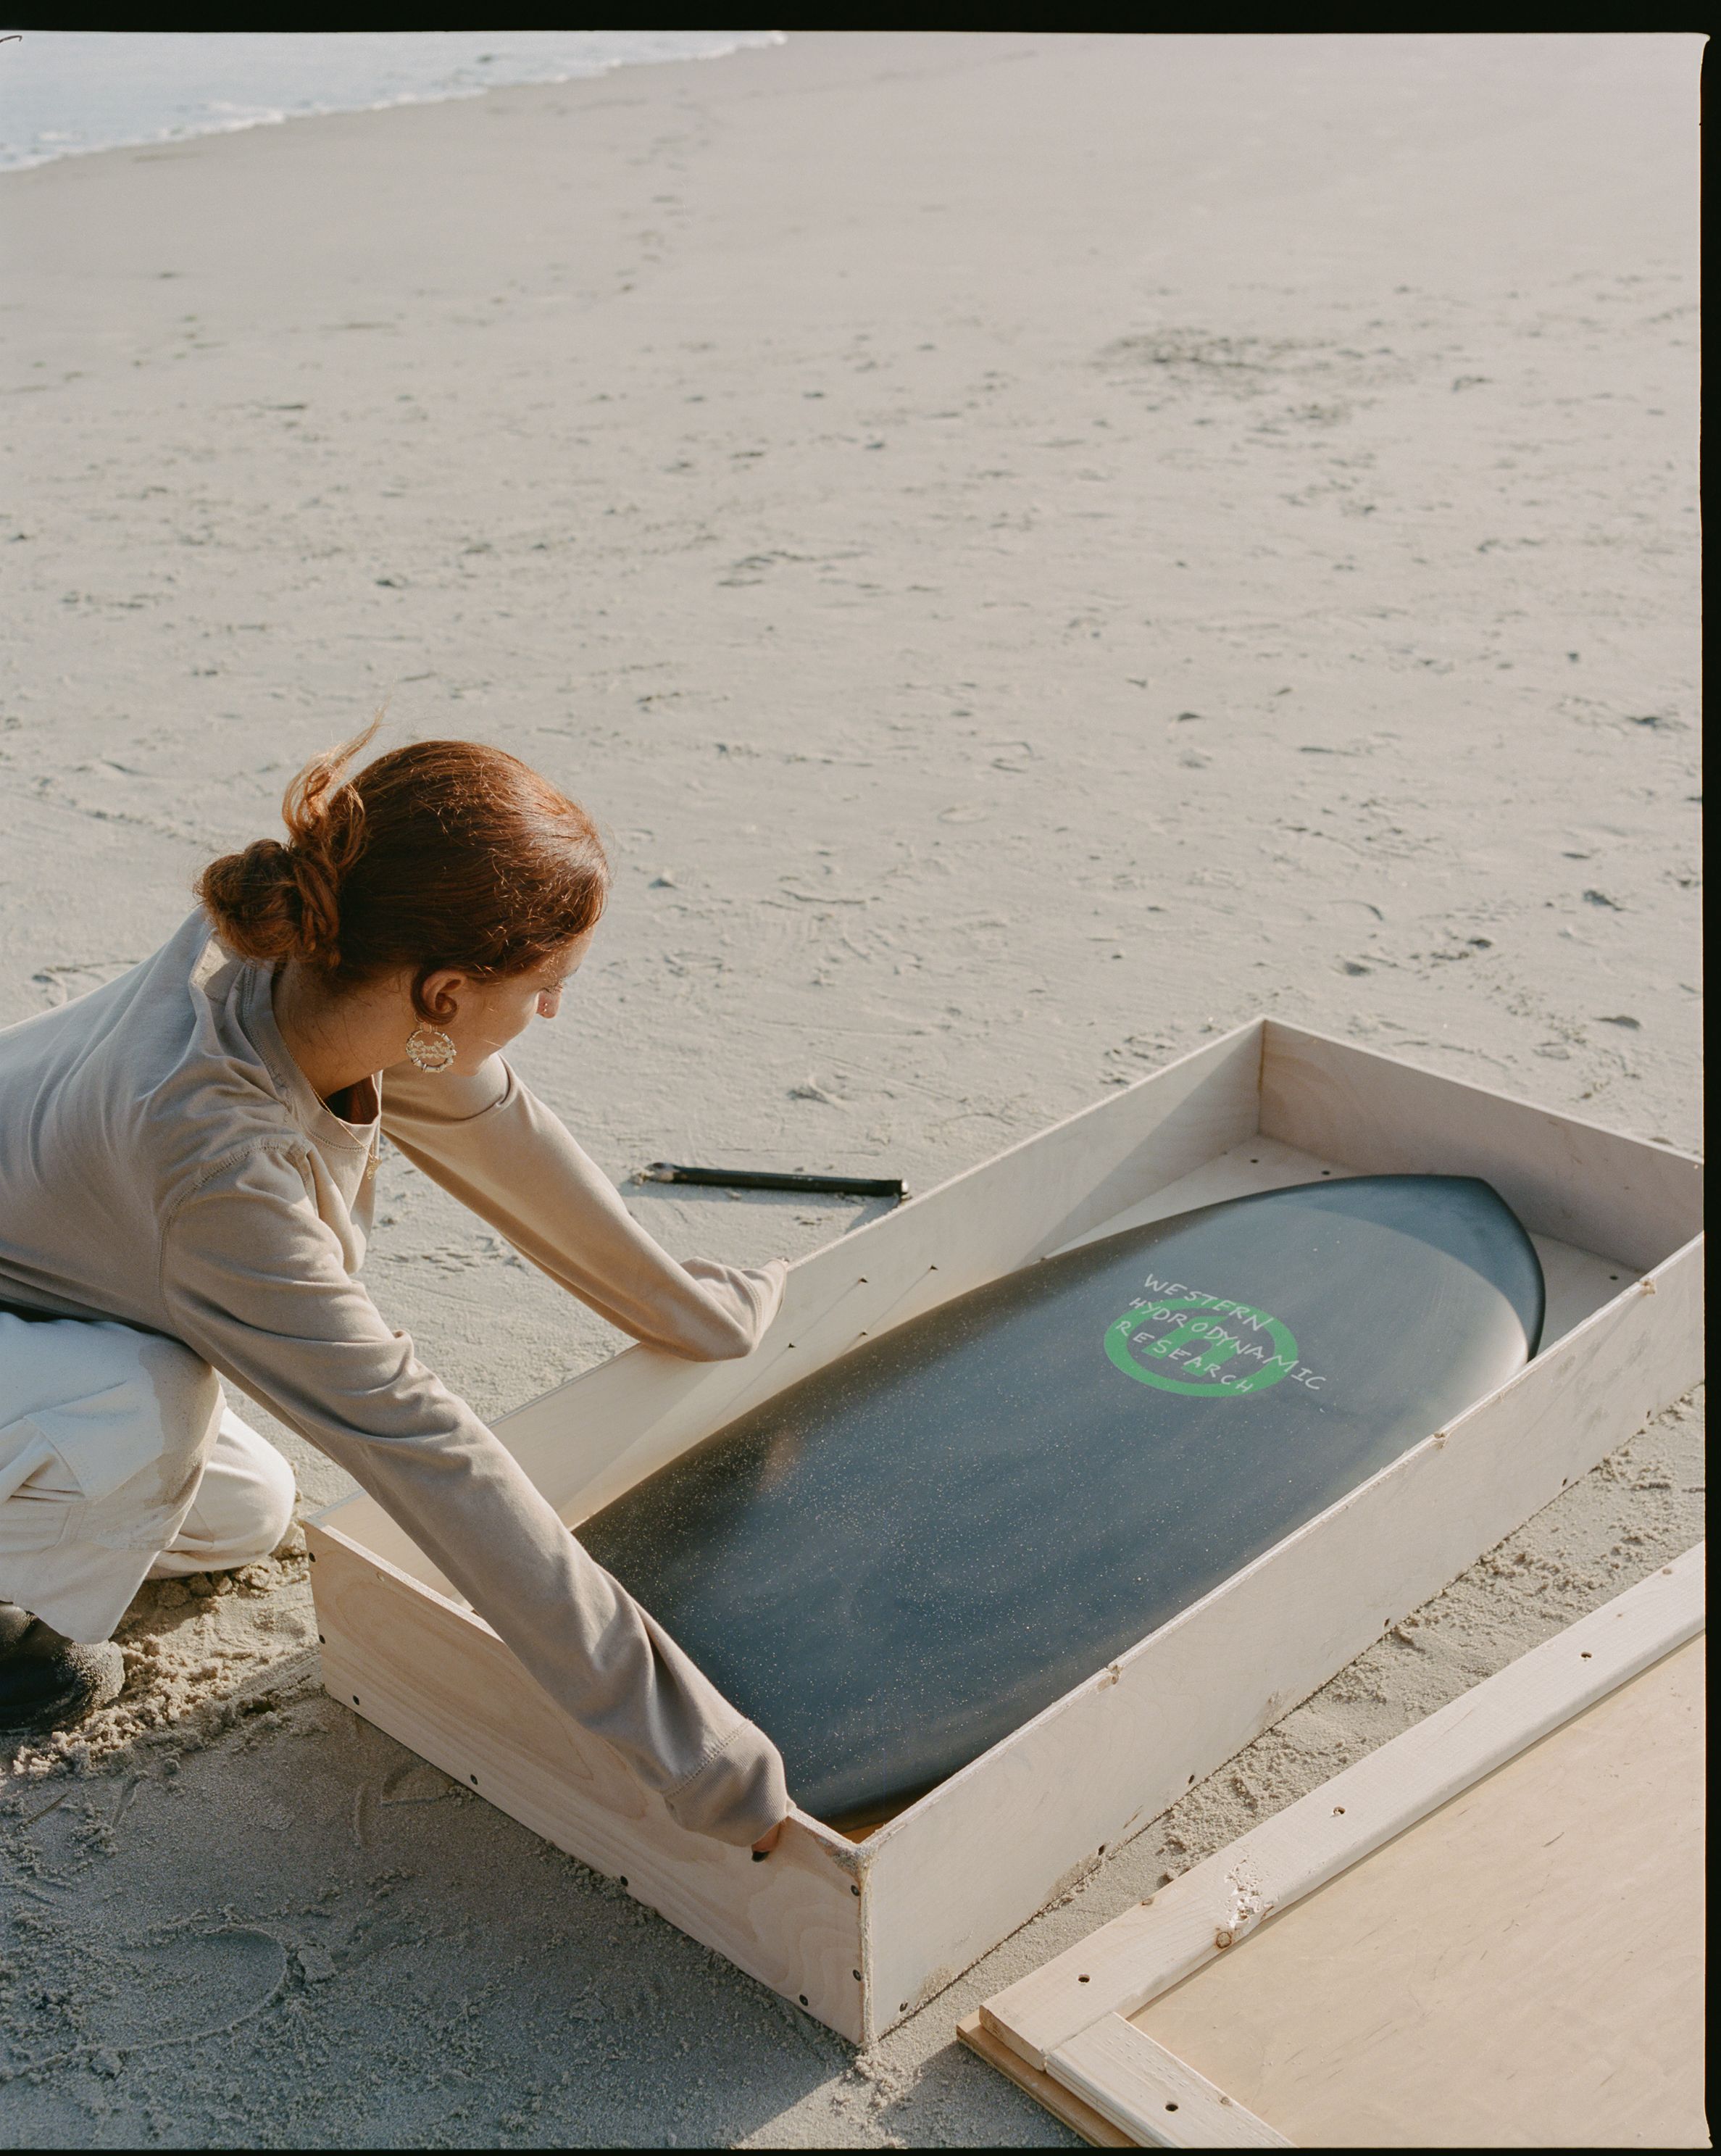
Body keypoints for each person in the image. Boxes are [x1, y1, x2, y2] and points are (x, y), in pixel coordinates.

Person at [0, 731, 790, 1852]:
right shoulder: (215, 1158)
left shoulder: (326, 964)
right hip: (49, 1321)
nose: (552, 1014)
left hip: (27, 1309)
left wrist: (696, 1313)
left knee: (241, 1505)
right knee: (141, 1410)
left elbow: (498, 1131)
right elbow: (420, 1444)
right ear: (448, 992)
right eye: (548, 987)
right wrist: (700, 1754)